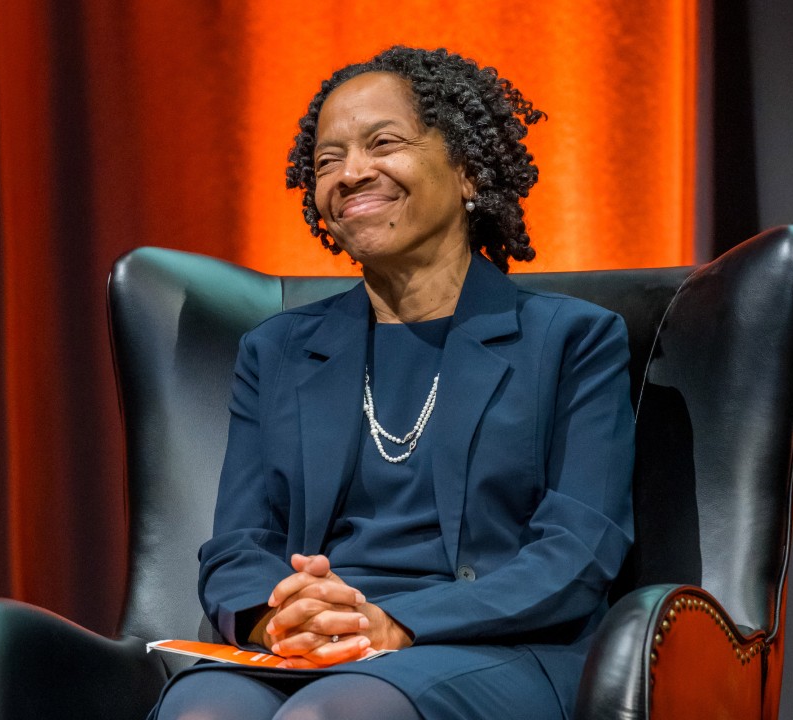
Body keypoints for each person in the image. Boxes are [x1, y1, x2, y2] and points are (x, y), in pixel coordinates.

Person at [150, 45, 634, 720]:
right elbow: (238, 544)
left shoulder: (571, 340)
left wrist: (392, 622)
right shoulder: (278, 350)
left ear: (467, 171)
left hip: (498, 645)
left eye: (384, 143)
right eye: (326, 160)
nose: (351, 173)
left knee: (336, 715)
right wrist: (277, 620)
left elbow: (577, 553)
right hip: (318, 648)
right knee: (202, 712)